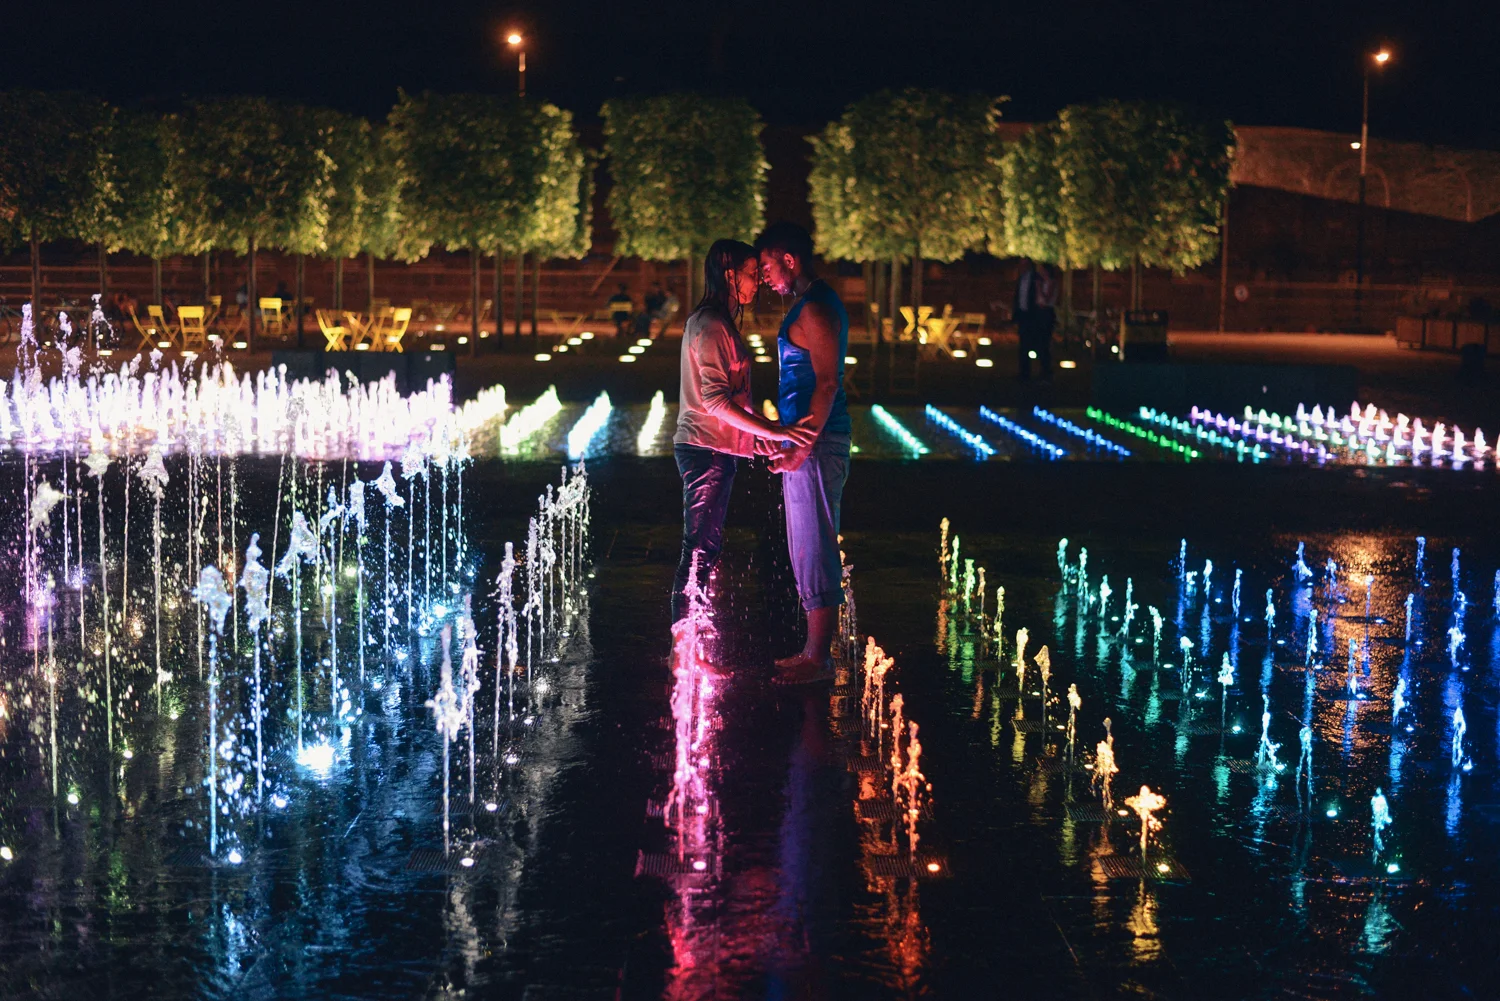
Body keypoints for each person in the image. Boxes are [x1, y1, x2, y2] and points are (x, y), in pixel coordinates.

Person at [671, 240, 818, 623]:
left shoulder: (717, 324)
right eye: (752, 273)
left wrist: (758, 440)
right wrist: (774, 428)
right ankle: (681, 646)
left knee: (705, 546)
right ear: (729, 274)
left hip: (715, 449)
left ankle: (688, 639)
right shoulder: (711, 325)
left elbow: (730, 401)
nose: (758, 281)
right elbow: (715, 402)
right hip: (705, 450)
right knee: (699, 548)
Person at [756, 221, 851, 685]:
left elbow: (827, 383)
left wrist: (801, 448)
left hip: (816, 442)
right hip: (805, 441)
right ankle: (813, 651)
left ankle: (819, 658)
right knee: (805, 544)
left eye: (767, 267)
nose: (764, 277)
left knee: (815, 544)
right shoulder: (810, 303)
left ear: (789, 260)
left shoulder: (815, 308)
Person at [1014, 259, 1057, 382]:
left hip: (1041, 315)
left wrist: (1038, 287)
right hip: (1030, 315)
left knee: (1042, 344)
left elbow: (1045, 299)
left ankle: (1045, 372)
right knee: (1025, 345)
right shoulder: (1025, 279)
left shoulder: (1040, 280)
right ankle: (1025, 373)